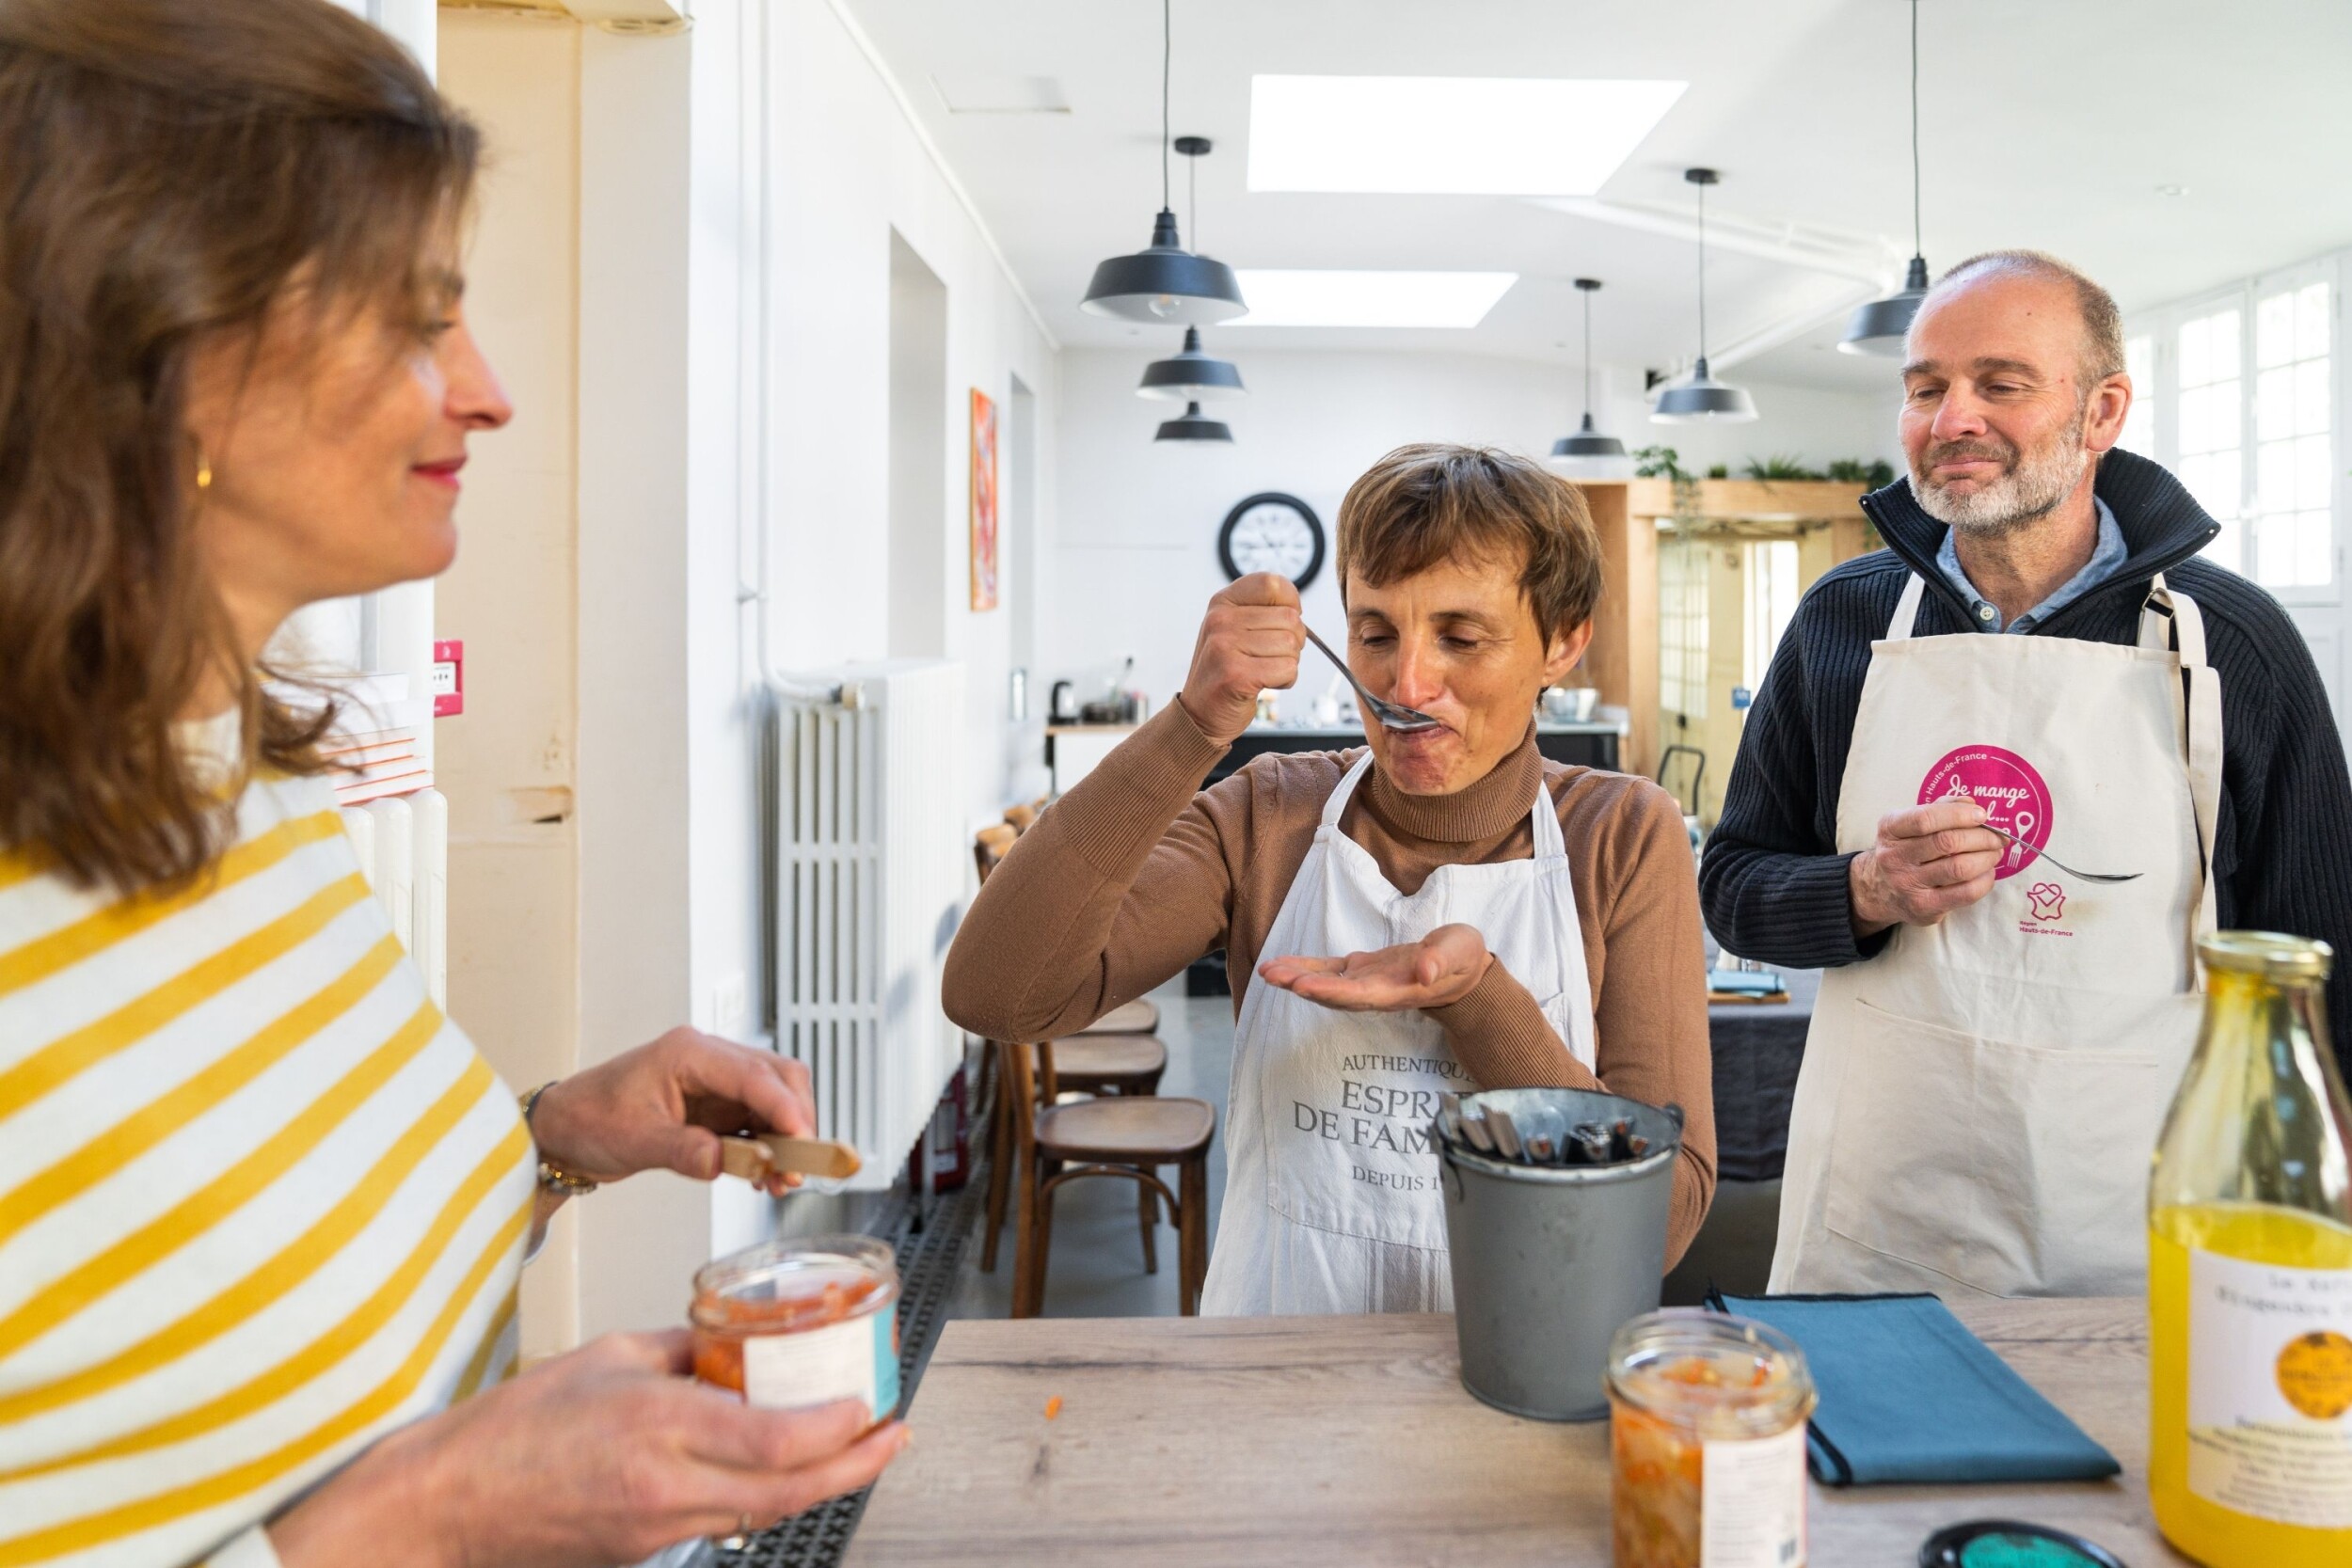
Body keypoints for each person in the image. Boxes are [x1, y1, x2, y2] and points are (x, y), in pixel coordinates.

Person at [0, 3, 905, 1563]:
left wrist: (551, 1135)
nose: (485, 390)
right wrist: (425, 1523)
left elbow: (246, 1241)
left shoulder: (238, 788)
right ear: (166, 348)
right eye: (415, 322)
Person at [1700, 250, 2352, 1298]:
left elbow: (2323, 958)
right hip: (1879, 1216)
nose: (1951, 417)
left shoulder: (2233, 642)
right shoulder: (1844, 618)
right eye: (1925, 387)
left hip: (2140, 1216)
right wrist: (1861, 889)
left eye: (1999, 383)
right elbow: (1730, 883)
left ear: (2101, 412)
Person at [945, 444, 1715, 1315]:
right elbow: (996, 994)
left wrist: (1478, 1002)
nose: (1407, 682)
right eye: (1375, 633)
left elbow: (1664, 1220)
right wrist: (1194, 723)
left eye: (1461, 637)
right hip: (1275, 1395)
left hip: (1518, 1395)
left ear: (1564, 641)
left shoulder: (1619, 836)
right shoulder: (1269, 815)